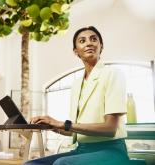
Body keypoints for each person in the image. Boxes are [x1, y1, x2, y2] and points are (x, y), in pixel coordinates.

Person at [24, 26, 129, 165]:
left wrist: (62, 124)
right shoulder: (77, 84)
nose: (89, 43)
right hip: (82, 150)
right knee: (31, 164)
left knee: (62, 163)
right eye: (82, 40)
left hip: (111, 151)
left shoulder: (113, 74)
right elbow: (73, 131)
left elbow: (110, 129)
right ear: (76, 51)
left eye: (93, 39)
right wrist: (50, 125)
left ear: (101, 46)